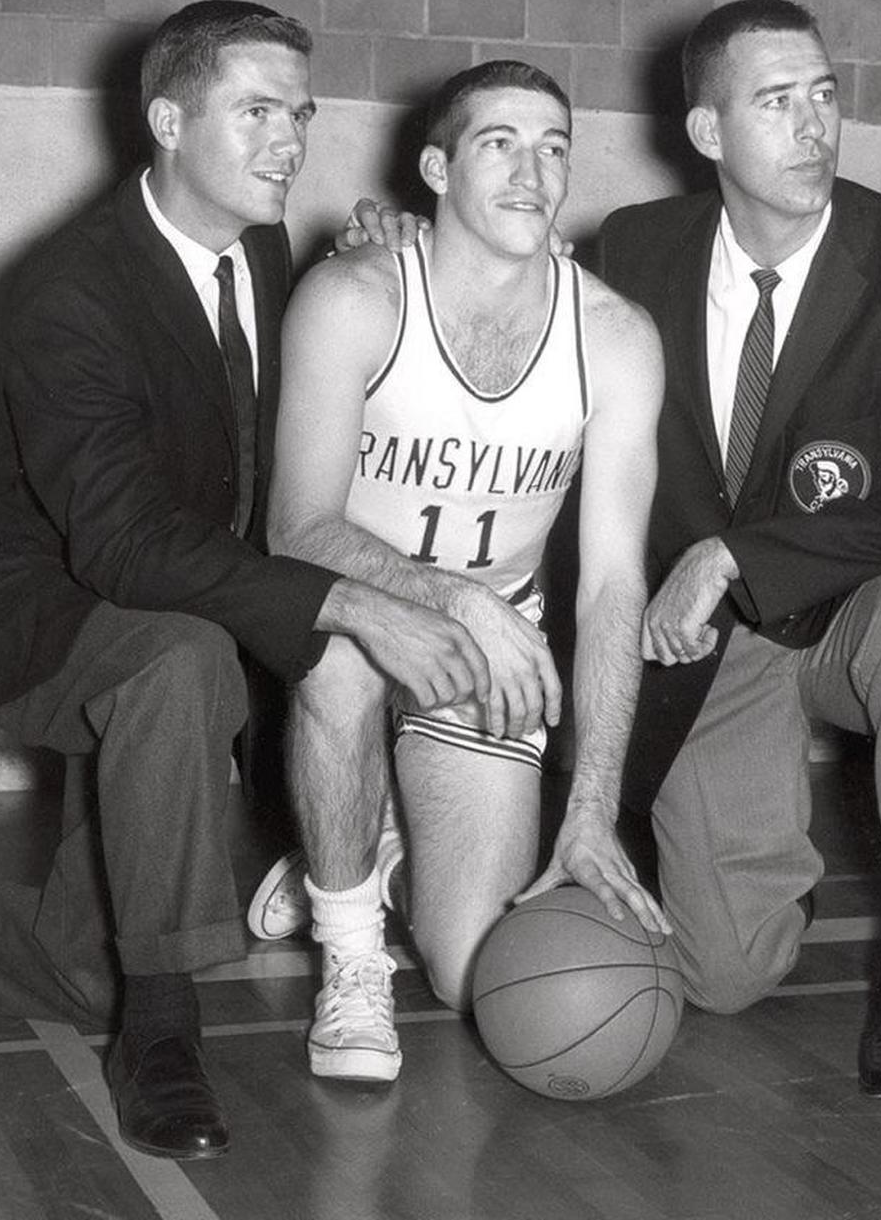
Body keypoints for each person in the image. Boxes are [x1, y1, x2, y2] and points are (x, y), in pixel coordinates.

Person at [343, 0, 881, 1102]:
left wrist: (737, 557)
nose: (814, 126)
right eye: (776, 101)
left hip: (865, 611)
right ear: (707, 132)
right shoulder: (638, 250)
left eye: (825, 95)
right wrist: (399, 253)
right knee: (724, 976)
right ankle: (760, 875)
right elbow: (507, 297)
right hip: (709, 648)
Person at [0, 0, 490, 1160]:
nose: (289, 139)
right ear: (169, 120)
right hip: (44, 617)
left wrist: (375, 275)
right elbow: (125, 543)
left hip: (182, 622)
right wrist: (351, 603)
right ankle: (165, 1035)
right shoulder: (69, 291)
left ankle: (91, 975)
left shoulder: (267, 251)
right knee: (180, 663)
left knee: (91, 957)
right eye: (256, 111)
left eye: (300, 112)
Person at [249, 59, 667, 1083]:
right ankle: (350, 958)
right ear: (436, 166)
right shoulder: (353, 295)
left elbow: (613, 582)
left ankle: (361, 846)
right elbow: (297, 527)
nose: (534, 171)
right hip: (355, 600)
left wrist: (593, 802)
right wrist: (458, 598)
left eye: (555, 147)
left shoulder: (614, 337)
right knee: (343, 655)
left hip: (495, 629)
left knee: (471, 963)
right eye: (500, 143)